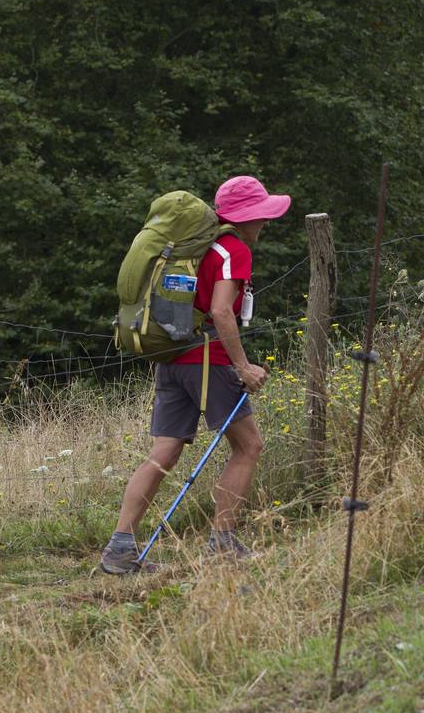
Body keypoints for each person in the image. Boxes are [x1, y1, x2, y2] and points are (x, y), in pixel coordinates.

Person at [100, 176, 291, 574]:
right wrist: (243, 366)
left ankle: (120, 548)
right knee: (249, 446)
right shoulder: (232, 249)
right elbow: (222, 311)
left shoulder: (194, 246)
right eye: (262, 216)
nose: (266, 224)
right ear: (246, 217)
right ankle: (222, 544)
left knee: (163, 453)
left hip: (171, 356)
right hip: (209, 360)